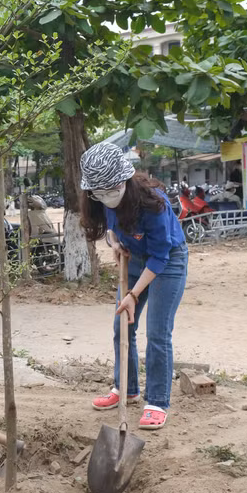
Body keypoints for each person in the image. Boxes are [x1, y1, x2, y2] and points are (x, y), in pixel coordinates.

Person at [79, 142, 189, 430]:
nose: (105, 197)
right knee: (122, 328)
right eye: (98, 192)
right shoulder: (101, 200)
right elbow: (112, 227)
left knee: (157, 333)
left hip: (167, 262)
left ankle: (157, 401)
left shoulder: (153, 203)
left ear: (124, 180)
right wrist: (114, 242)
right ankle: (126, 388)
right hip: (134, 257)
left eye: (110, 190)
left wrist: (133, 294)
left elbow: (160, 256)